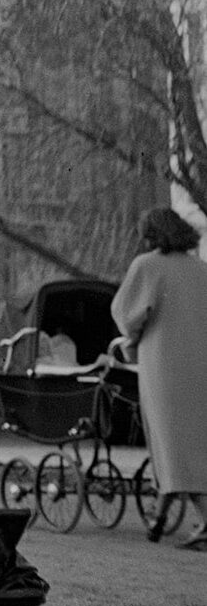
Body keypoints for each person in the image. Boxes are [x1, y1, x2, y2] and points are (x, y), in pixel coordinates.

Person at [111, 207, 207, 549]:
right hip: (200, 366)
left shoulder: (147, 266)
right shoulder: (201, 269)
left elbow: (125, 313)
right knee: (194, 444)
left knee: (169, 444)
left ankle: (204, 520)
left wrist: (130, 340)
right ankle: (160, 517)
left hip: (164, 364)